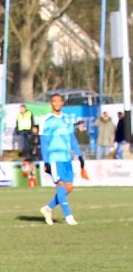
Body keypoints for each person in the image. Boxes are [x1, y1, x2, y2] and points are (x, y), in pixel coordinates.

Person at [39, 93, 81, 226]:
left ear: (63, 103)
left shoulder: (67, 119)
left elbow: (72, 138)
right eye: (54, 101)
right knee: (61, 186)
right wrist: (46, 161)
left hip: (66, 158)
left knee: (69, 188)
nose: (57, 103)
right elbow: (43, 142)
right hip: (54, 158)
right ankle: (68, 216)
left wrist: (79, 155)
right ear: (51, 103)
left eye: (59, 101)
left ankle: (48, 208)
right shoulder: (46, 119)